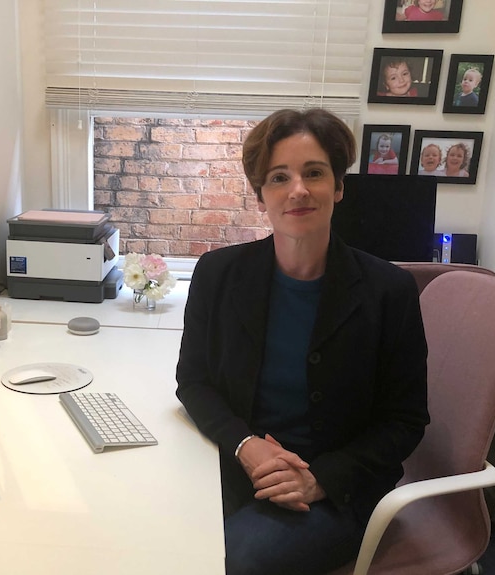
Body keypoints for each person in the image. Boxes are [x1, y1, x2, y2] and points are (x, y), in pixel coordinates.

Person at [175, 109, 429, 575]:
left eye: (314, 173)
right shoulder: (218, 274)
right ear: (260, 195)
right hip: (233, 467)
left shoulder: (389, 290)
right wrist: (246, 445)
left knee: (228, 560)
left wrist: (321, 479)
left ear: (338, 187)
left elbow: (406, 420)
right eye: (278, 177)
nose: (298, 189)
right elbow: (193, 382)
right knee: (150, 534)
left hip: (335, 490)